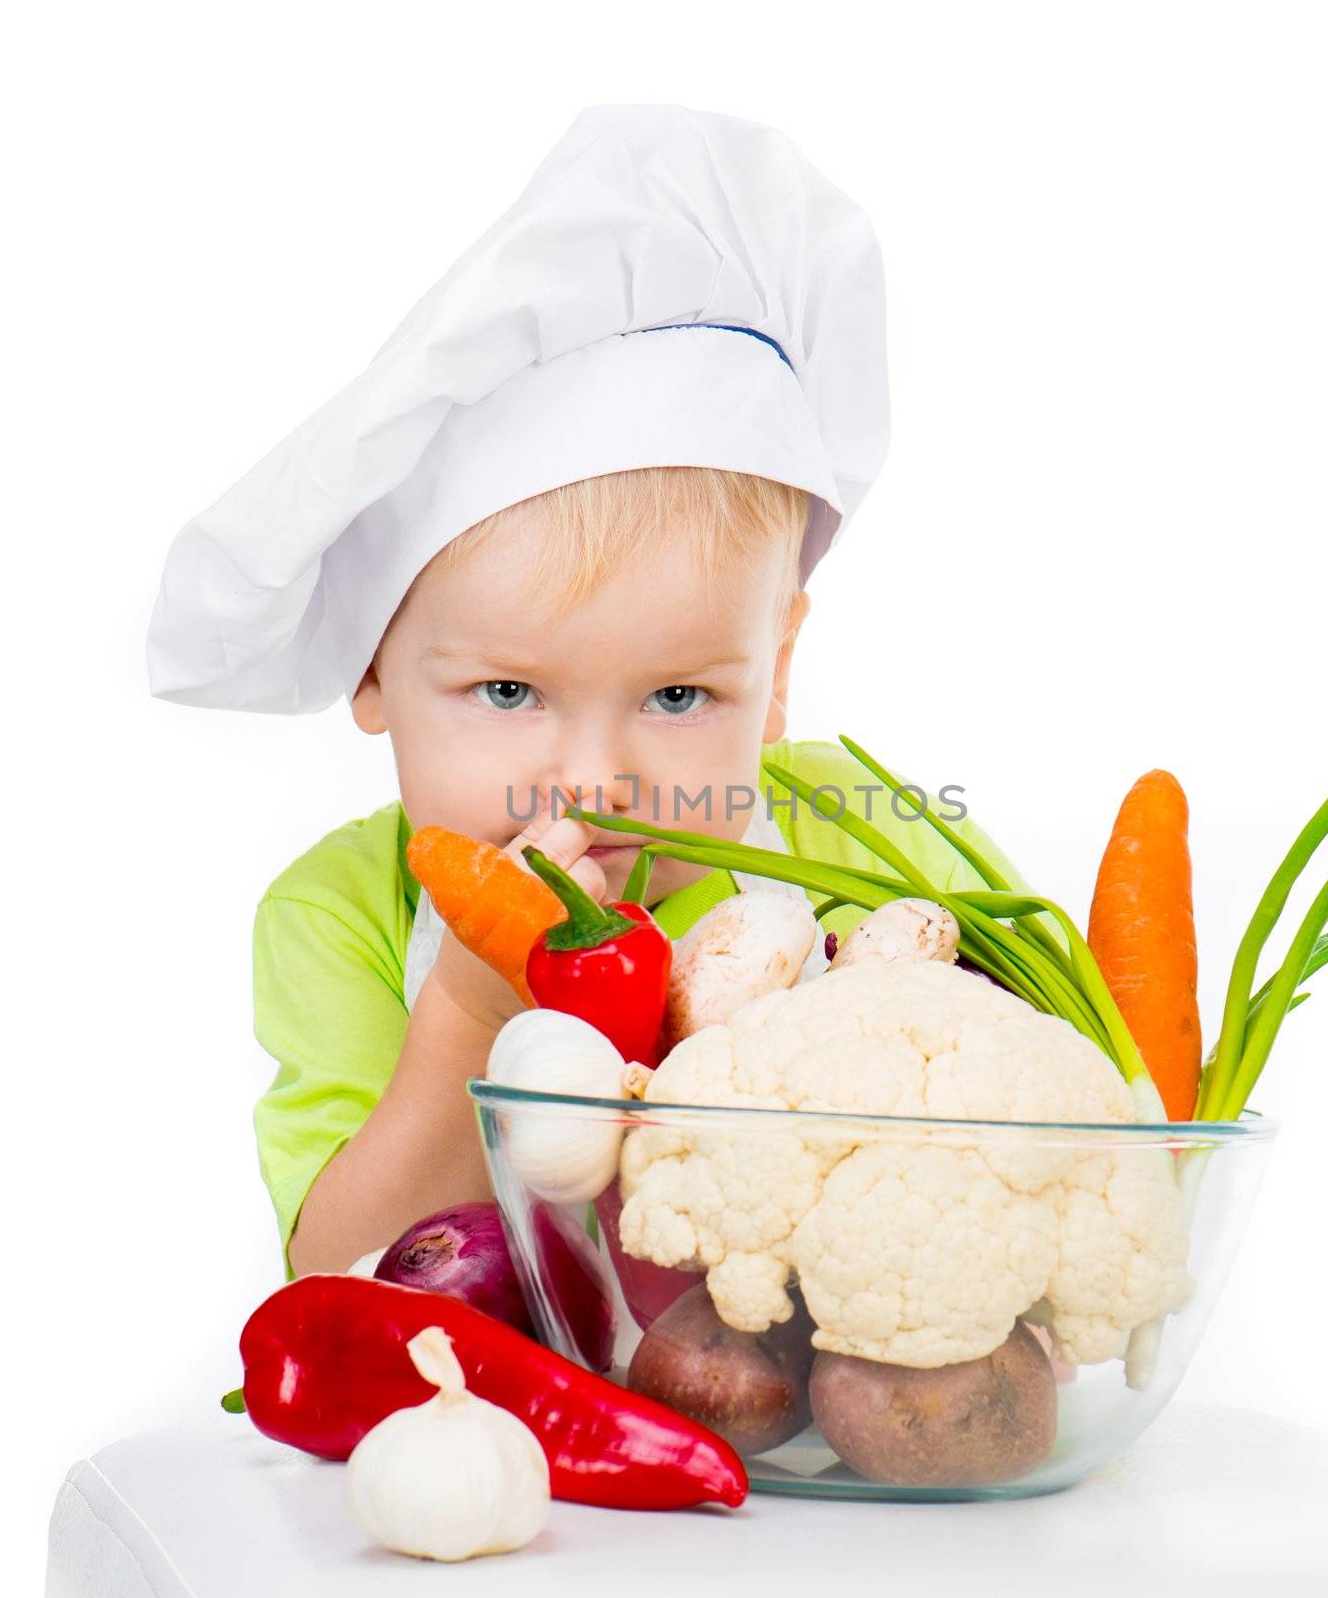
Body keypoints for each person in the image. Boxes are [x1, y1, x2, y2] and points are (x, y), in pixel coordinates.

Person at [146, 105, 1019, 1276]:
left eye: (676, 698)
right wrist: (471, 999)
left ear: (776, 676)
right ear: (371, 669)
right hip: (523, 1430)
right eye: (508, 692)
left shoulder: (854, 824)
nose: (594, 782)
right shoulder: (340, 914)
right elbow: (338, 1278)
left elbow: (1067, 1106)